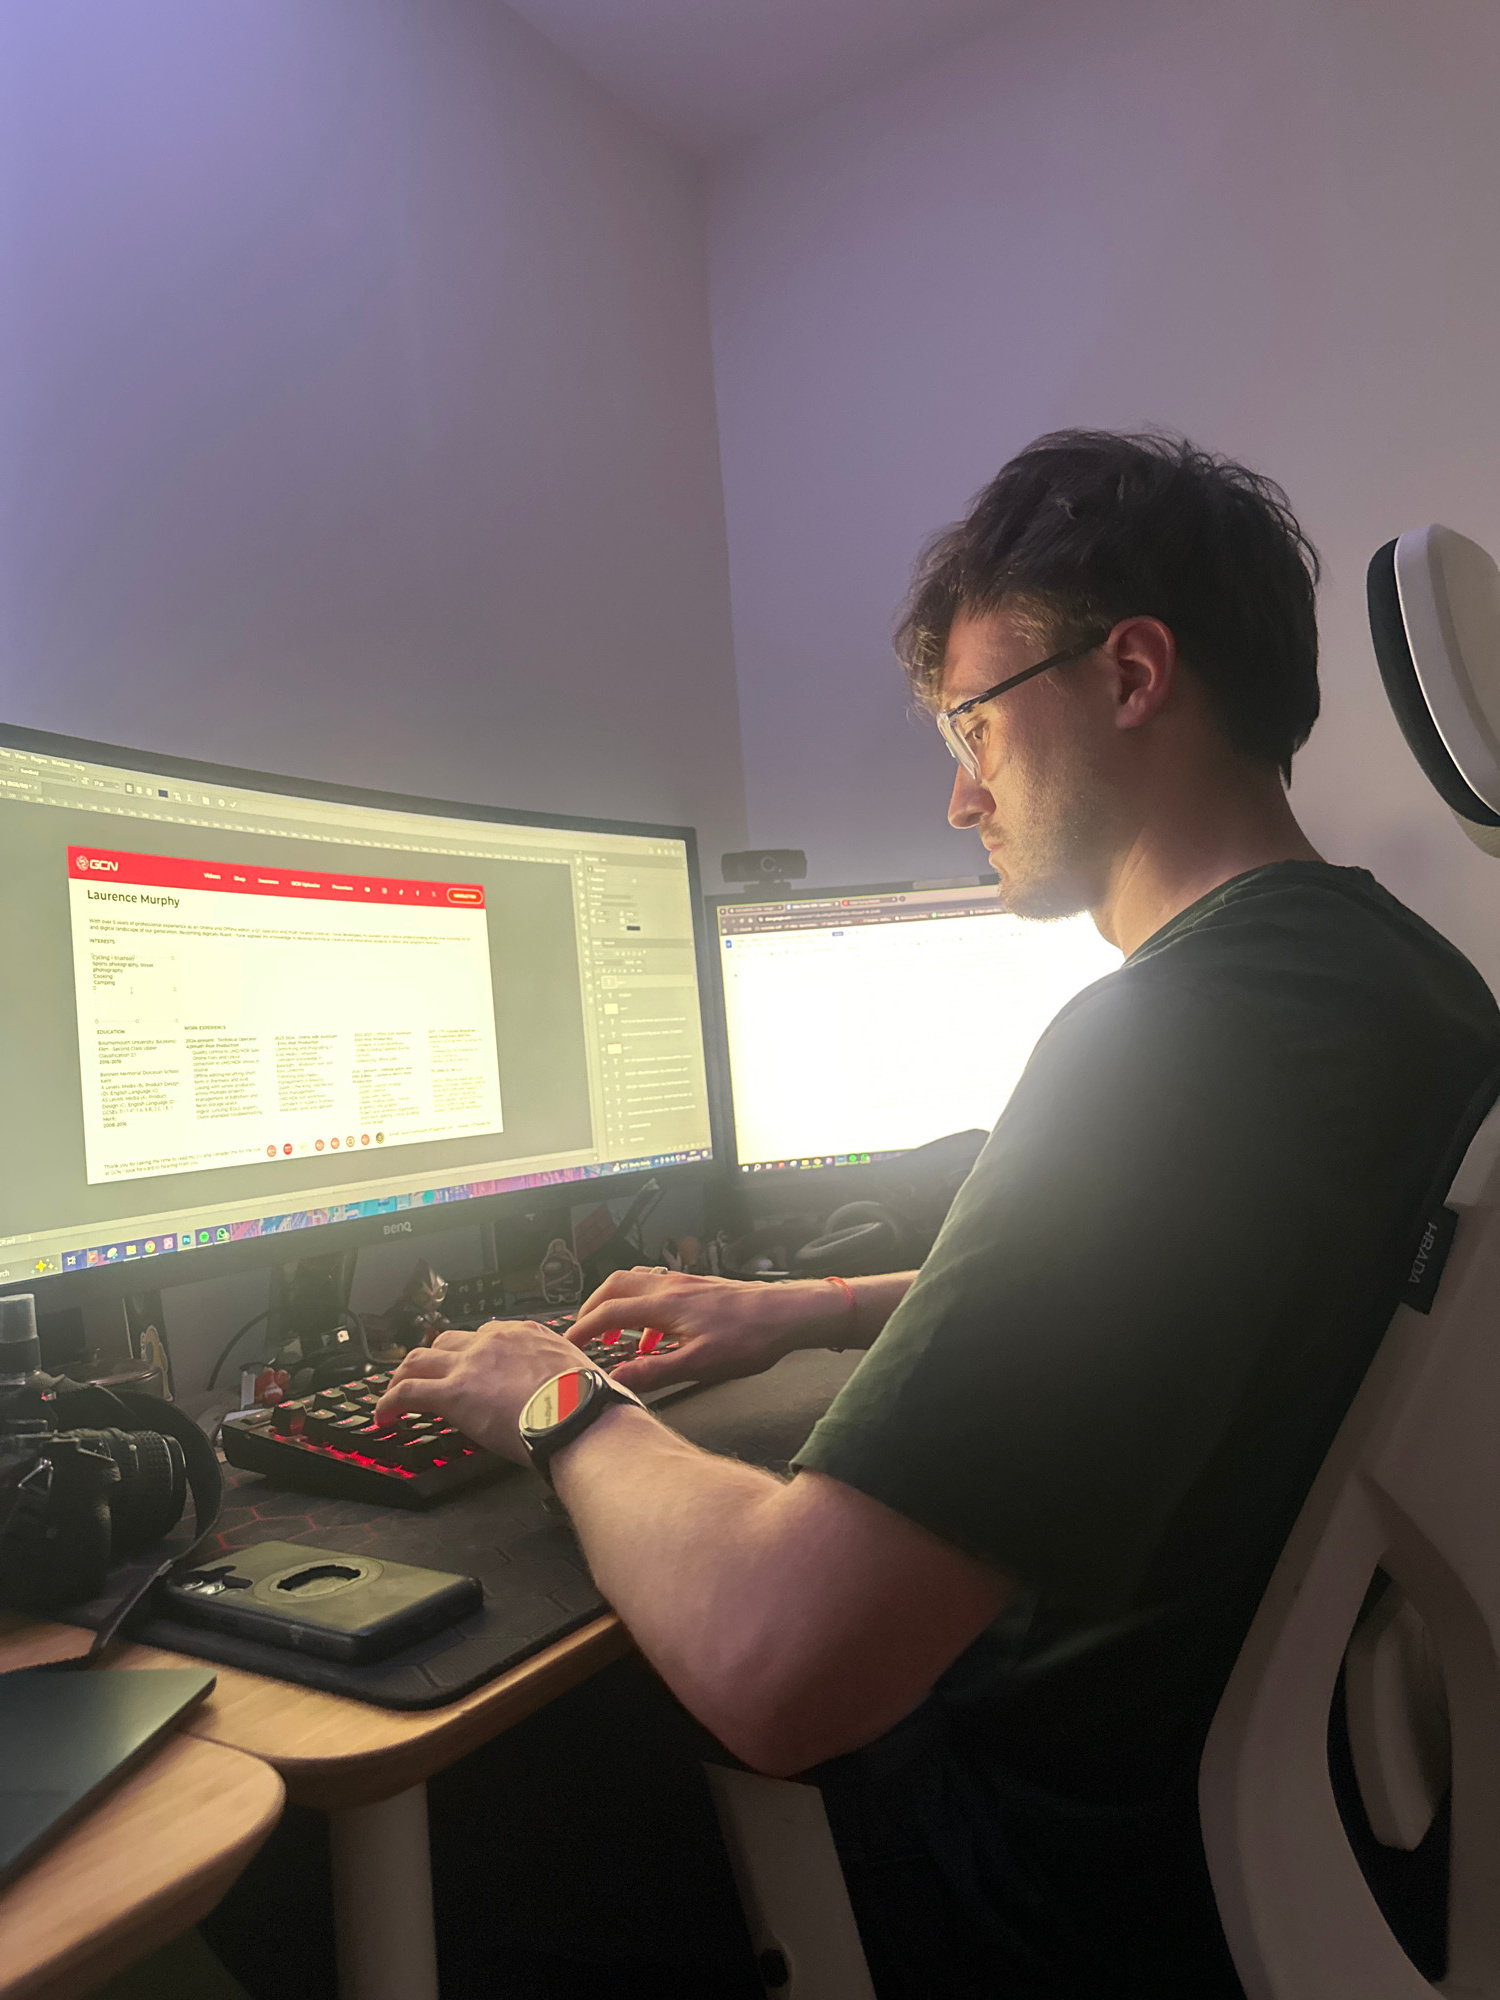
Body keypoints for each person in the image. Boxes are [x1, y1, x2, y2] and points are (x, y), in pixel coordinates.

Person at [377, 431, 1500, 1997]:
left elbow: (782, 1664)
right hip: (1342, 1824)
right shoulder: (1403, 985)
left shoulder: (1169, 1040)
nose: (961, 793)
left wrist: (555, 1399)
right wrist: (818, 1307)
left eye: (973, 721)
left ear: (1131, 676)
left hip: (1062, 1872)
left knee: (466, 1758)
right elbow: (1190, 1298)